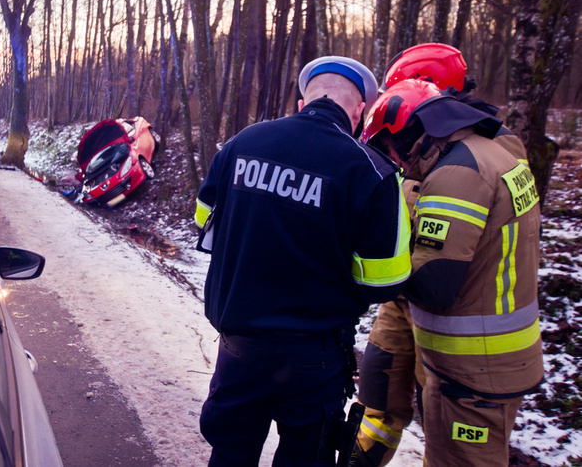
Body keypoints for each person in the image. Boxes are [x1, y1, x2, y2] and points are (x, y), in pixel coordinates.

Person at [194, 56, 412, 466]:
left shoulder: (242, 143)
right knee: (305, 458)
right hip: (316, 357)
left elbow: (205, 221)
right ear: (360, 111)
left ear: (302, 102)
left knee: (230, 453)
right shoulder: (374, 172)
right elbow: (387, 280)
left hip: (240, 345)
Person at [353, 44, 532, 467]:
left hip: (460, 326)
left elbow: (442, 275)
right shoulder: (439, 152)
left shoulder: (471, 158)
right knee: (377, 396)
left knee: (449, 437)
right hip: (407, 301)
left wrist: (361, 272)